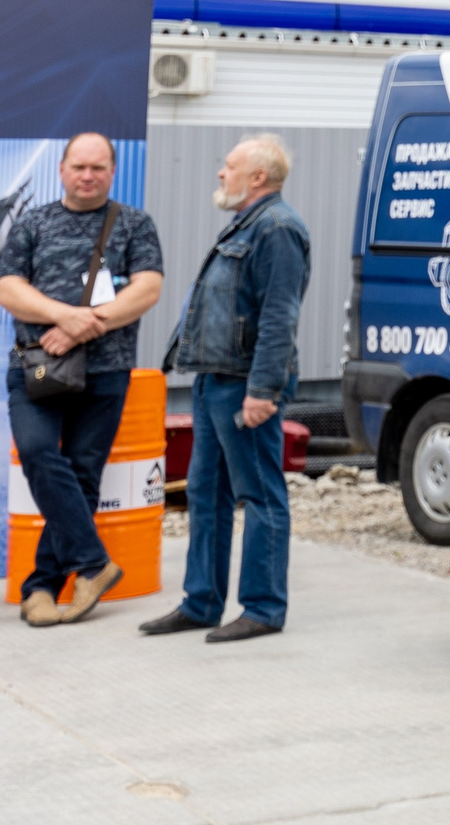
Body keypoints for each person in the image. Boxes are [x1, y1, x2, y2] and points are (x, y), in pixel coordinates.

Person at [143, 134, 309, 643]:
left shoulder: (277, 229)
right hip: (214, 378)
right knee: (205, 492)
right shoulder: (246, 224)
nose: (221, 172)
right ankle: (201, 603)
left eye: (229, 165)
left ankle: (263, 608)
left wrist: (263, 390)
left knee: (259, 494)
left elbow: (279, 316)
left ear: (258, 176)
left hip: (244, 385)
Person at [0, 133, 163, 627]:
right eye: (79, 167)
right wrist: (64, 317)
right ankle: (93, 563)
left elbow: (147, 289)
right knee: (38, 452)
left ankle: (41, 588)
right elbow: (9, 289)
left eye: (98, 167)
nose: (87, 176)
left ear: (112, 171)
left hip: (106, 370)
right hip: (36, 367)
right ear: (62, 170)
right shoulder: (33, 223)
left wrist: (83, 328)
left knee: (84, 474)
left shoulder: (134, 224)